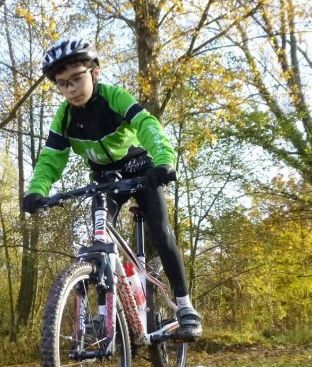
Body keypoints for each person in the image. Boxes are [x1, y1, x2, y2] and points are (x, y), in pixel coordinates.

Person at [22, 37, 202, 341]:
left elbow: (147, 125)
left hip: (142, 169)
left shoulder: (114, 97)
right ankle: (105, 317)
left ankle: (185, 307)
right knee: (98, 241)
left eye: (76, 79)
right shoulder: (64, 118)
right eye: (62, 84)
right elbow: (51, 158)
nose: (71, 89)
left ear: (94, 73)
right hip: (106, 179)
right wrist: (37, 189)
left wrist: (163, 161)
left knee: (161, 231)